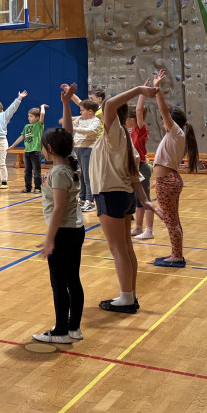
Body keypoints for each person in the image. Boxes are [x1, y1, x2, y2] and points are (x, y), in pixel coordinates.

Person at [62, 82, 157, 314]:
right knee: (125, 248)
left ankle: (127, 299)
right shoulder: (120, 136)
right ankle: (129, 295)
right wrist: (144, 199)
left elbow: (112, 104)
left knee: (118, 250)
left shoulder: (115, 133)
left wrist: (139, 90)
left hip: (110, 194)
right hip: (123, 195)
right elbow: (133, 173)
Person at [32, 126, 84, 344]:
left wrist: (50, 238)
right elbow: (67, 132)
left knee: (60, 283)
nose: (42, 150)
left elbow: (59, 207)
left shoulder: (59, 172)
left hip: (63, 232)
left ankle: (61, 331)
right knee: (72, 279)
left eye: (43, 147)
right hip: (74, 230)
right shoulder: (68, 166)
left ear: (50, 149)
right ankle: (73, 328)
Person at [150, 71, 198, 268]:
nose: (163, 122)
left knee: (170, 220)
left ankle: (177, 256)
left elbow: (163, 111)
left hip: (168, 181)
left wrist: (157, 90)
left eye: (166, 119)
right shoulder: (175, 135)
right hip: (168, 180)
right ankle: (176, 253)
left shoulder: (176, 132)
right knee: (172, 219)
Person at [0, 92, 26, 188]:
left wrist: (19, 98)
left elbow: (12, 108)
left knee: (0, 163)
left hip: (0, 141)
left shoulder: (3, 115)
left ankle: (4, 182)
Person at [129, 93, 155, 241]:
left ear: (132, 120)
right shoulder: (131, 131)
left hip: (142, 168)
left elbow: (139, 111)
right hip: (134, 168)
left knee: (146, 201)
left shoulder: (140, 130)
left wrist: (141, 93)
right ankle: (138, 227)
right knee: (138, 201)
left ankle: (149, 230)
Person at [71, 99, 103, 213]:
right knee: (80, 175)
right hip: (77, 149)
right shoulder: (80, 119)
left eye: (82, 110)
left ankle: (90, 201)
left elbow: (90, 131)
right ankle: (82, 198)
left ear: (90, 111)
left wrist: (75, 129)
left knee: (88, 176)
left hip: (88, 149)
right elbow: (71, 125)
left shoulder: (96, 121)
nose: (80, 112)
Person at [11, 103, 47, 193]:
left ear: (37, 118)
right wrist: (13, 145)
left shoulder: (38, 125)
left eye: (31, 116)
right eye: (28, 116)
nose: (29, 118)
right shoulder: (26, 126)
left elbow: (42, 114)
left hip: (35, 152)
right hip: (27, 152)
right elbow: (21, 137)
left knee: (36, 171)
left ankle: (38, 188)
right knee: (27, 171)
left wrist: (42, 107)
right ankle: (28, 188)